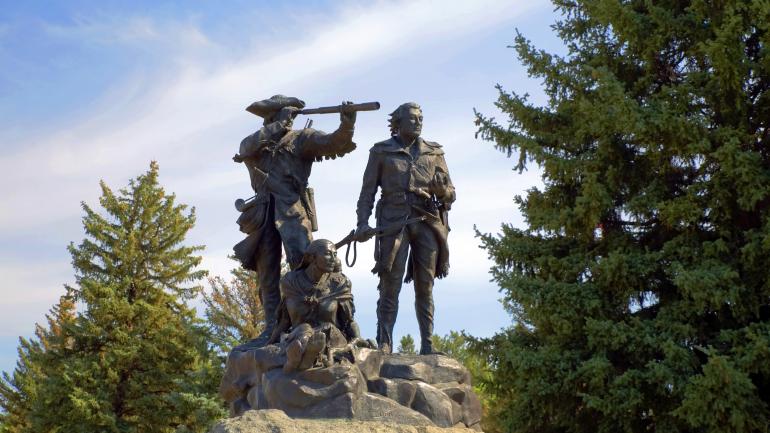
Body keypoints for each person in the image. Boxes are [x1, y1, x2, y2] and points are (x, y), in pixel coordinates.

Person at [233, 95, 357, 347]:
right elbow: (245, 148)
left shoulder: (302, 138)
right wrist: (278, 125)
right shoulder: (258, 141)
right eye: (283, 114)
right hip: (262, 212)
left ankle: (314, 321)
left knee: (305, 264)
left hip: (293, 210)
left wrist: (347, 124)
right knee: (267, 274)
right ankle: (272, 329)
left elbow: (333, 142)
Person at [355, 102, 455, 355]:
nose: (418, 122)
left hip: (427, 221)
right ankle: (385, 342)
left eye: (421, 118)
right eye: (412, 118)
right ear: (398, 123)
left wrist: (443, 192)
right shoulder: (381, 152)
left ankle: (428, 344)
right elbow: (367, 192)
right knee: (391, 283)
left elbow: (451, 193)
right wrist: (362, 223)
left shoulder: (434, 152)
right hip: (393, 221)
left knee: (426, 284)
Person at [268, 239, 367, 372]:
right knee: (304, 329)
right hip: (298, 336)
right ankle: (305, 355)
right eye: (327, 254)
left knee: (317, 333)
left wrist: (356, 339)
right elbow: (286, 321)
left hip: (332, 339)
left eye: (335, 254)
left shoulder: (339, 284)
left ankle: (300, 360)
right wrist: (269, 343)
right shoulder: (291, 282)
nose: (333, 259)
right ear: (312, 257)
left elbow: (348, 321)